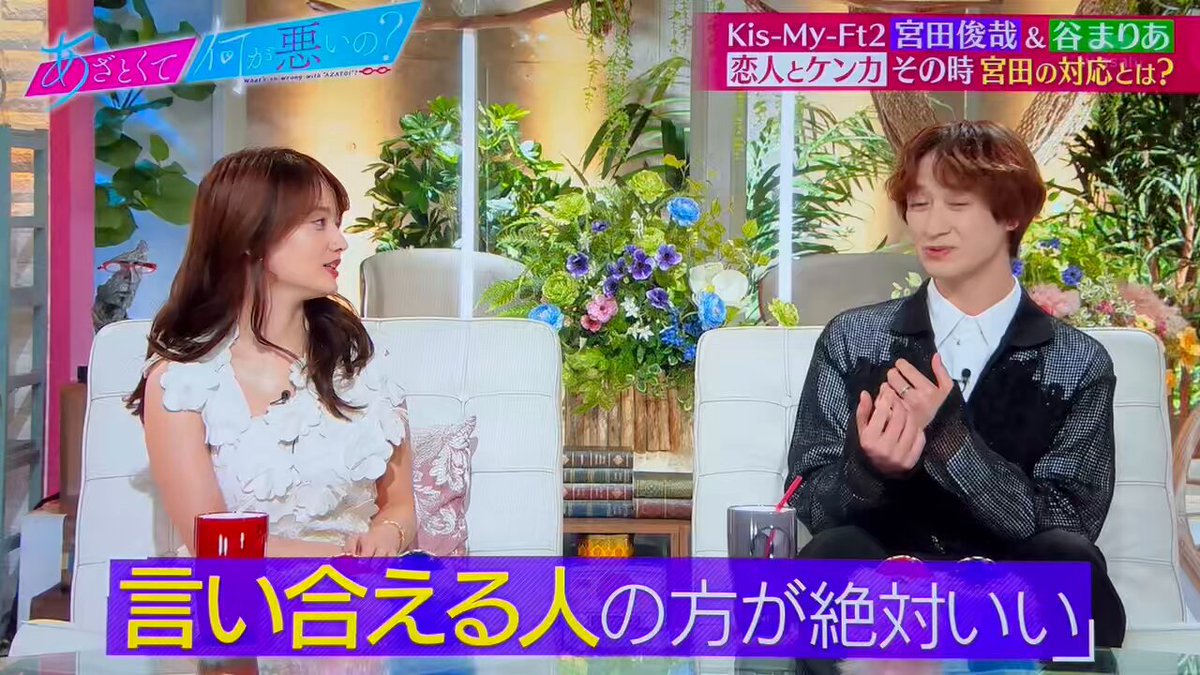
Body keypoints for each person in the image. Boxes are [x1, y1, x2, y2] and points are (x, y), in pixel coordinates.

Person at [785, 120, 1127, 648]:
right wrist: (869, 469)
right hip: (883, 602)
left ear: (1011, 214)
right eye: (919, 204)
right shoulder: (855, 340)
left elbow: (1069, 520)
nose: (931, 225)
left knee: (1070, 562)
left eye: (957, 204)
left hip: (1015, 606)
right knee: (830, 555)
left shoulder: (1077, 362)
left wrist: (949, 440)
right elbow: (809, 501)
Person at [126, 147, 417, 558]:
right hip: (244, 595)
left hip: (362, 593)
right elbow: (212, 543)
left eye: (336, 223)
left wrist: (388, 535)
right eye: (318, 223)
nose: (339, 242)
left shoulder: (360, 365)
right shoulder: (182, 384)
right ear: (251, 236)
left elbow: (399, 506)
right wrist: (343, 563)